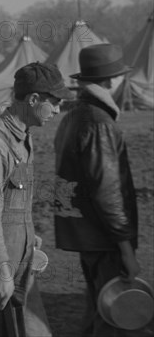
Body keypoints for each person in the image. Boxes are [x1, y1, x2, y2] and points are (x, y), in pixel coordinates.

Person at [0, 62, 74, 336]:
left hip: (18, 260)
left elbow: (10, 204)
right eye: (54, 102)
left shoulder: (21, 139)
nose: (57, 110)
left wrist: (27, 234)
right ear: (33, 99)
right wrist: (1, 271)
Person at [53, 44, 140, 336]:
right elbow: (107, 192)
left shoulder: (74, 116)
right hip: (104, 238)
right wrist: (125, 246)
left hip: (87, 234)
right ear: (111, 80)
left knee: (98, 307)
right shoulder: (99, 123)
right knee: (114, 314)